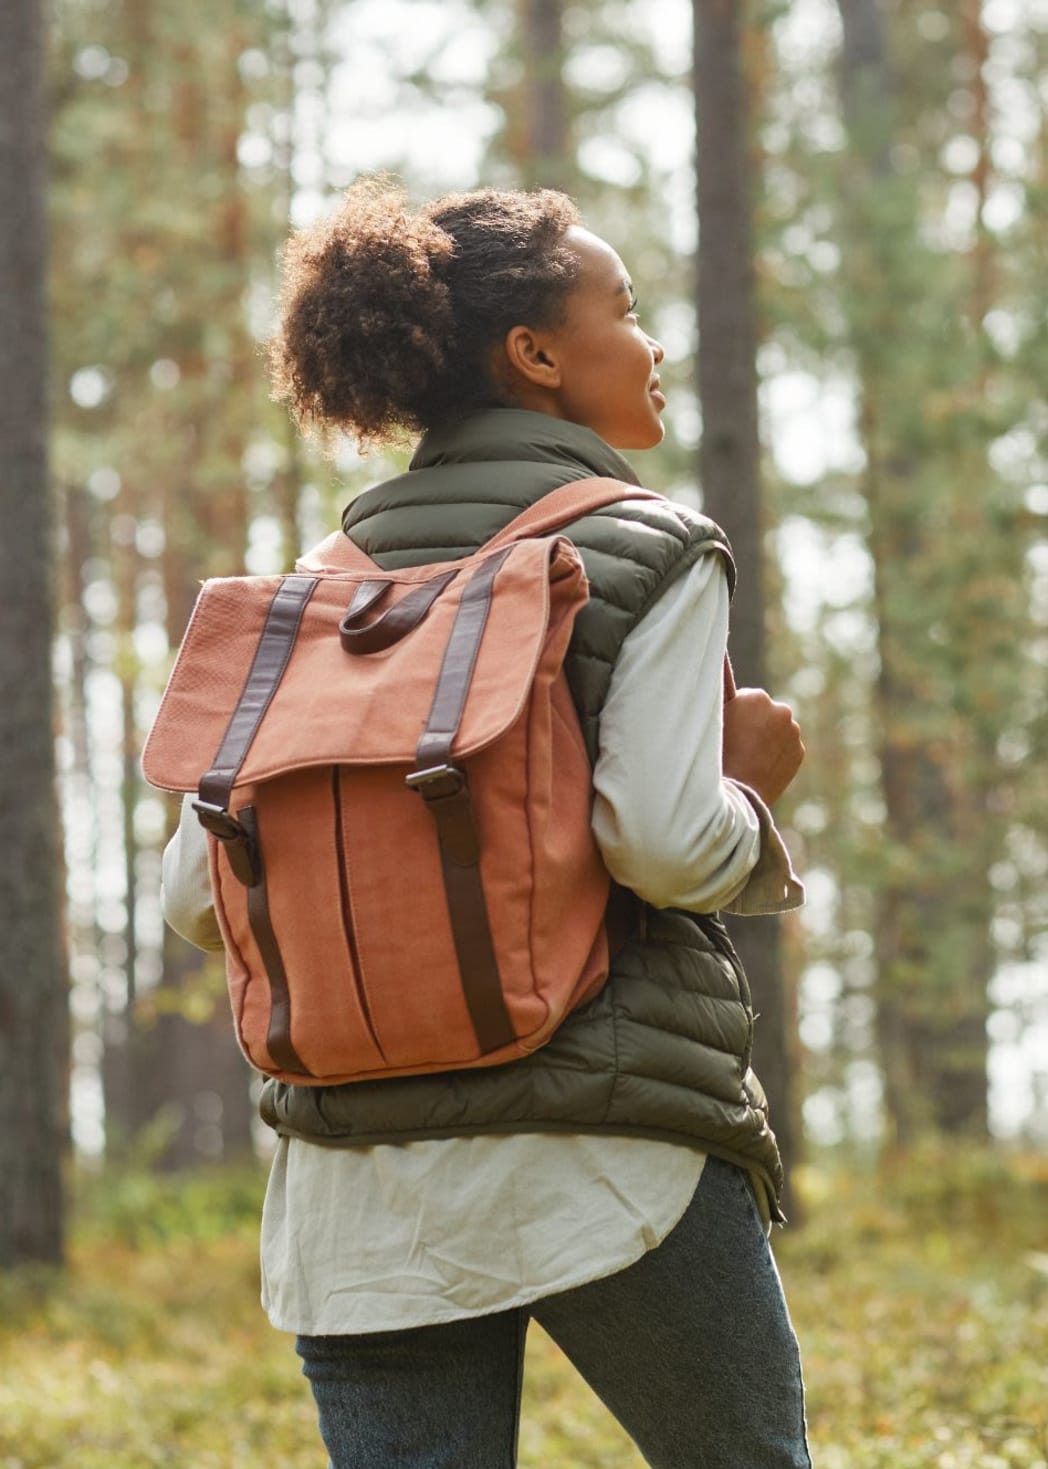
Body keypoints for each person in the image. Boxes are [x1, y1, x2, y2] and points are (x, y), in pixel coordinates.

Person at [161, 180, 812, 1469]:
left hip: (358, 1194)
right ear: (537, 355)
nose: (651, 339)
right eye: (623, 309)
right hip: (604, 1151)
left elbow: (197, 896)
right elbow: (667, 847)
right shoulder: (645, 547)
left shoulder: (312, 596)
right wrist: (752, 789)